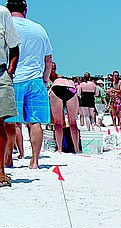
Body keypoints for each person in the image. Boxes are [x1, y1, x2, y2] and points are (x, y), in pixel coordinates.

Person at [6, 0, 49, 170]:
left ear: (7, 9)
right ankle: (35, 161)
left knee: (9, 122)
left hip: (12, 78)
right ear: (26, 9)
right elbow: (48, 59)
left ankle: (8, 158)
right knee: (36, 122)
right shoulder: (39, 29)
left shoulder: (5, 26)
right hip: (35, 80)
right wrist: (45, 80)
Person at [0, 4, 19, 186]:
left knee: (1, 124)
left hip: (0, 74)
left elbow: (14, 48)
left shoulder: (2, 13)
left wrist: (10, 73)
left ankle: (0, 172)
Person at [48, 62, 79, 153]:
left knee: (58, 123)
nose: (53, 70)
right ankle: (76, 148)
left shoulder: (50, 77)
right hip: (70, 87)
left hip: (58, 89)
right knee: (72, 123)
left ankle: (60, 149)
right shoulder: (60, 77)